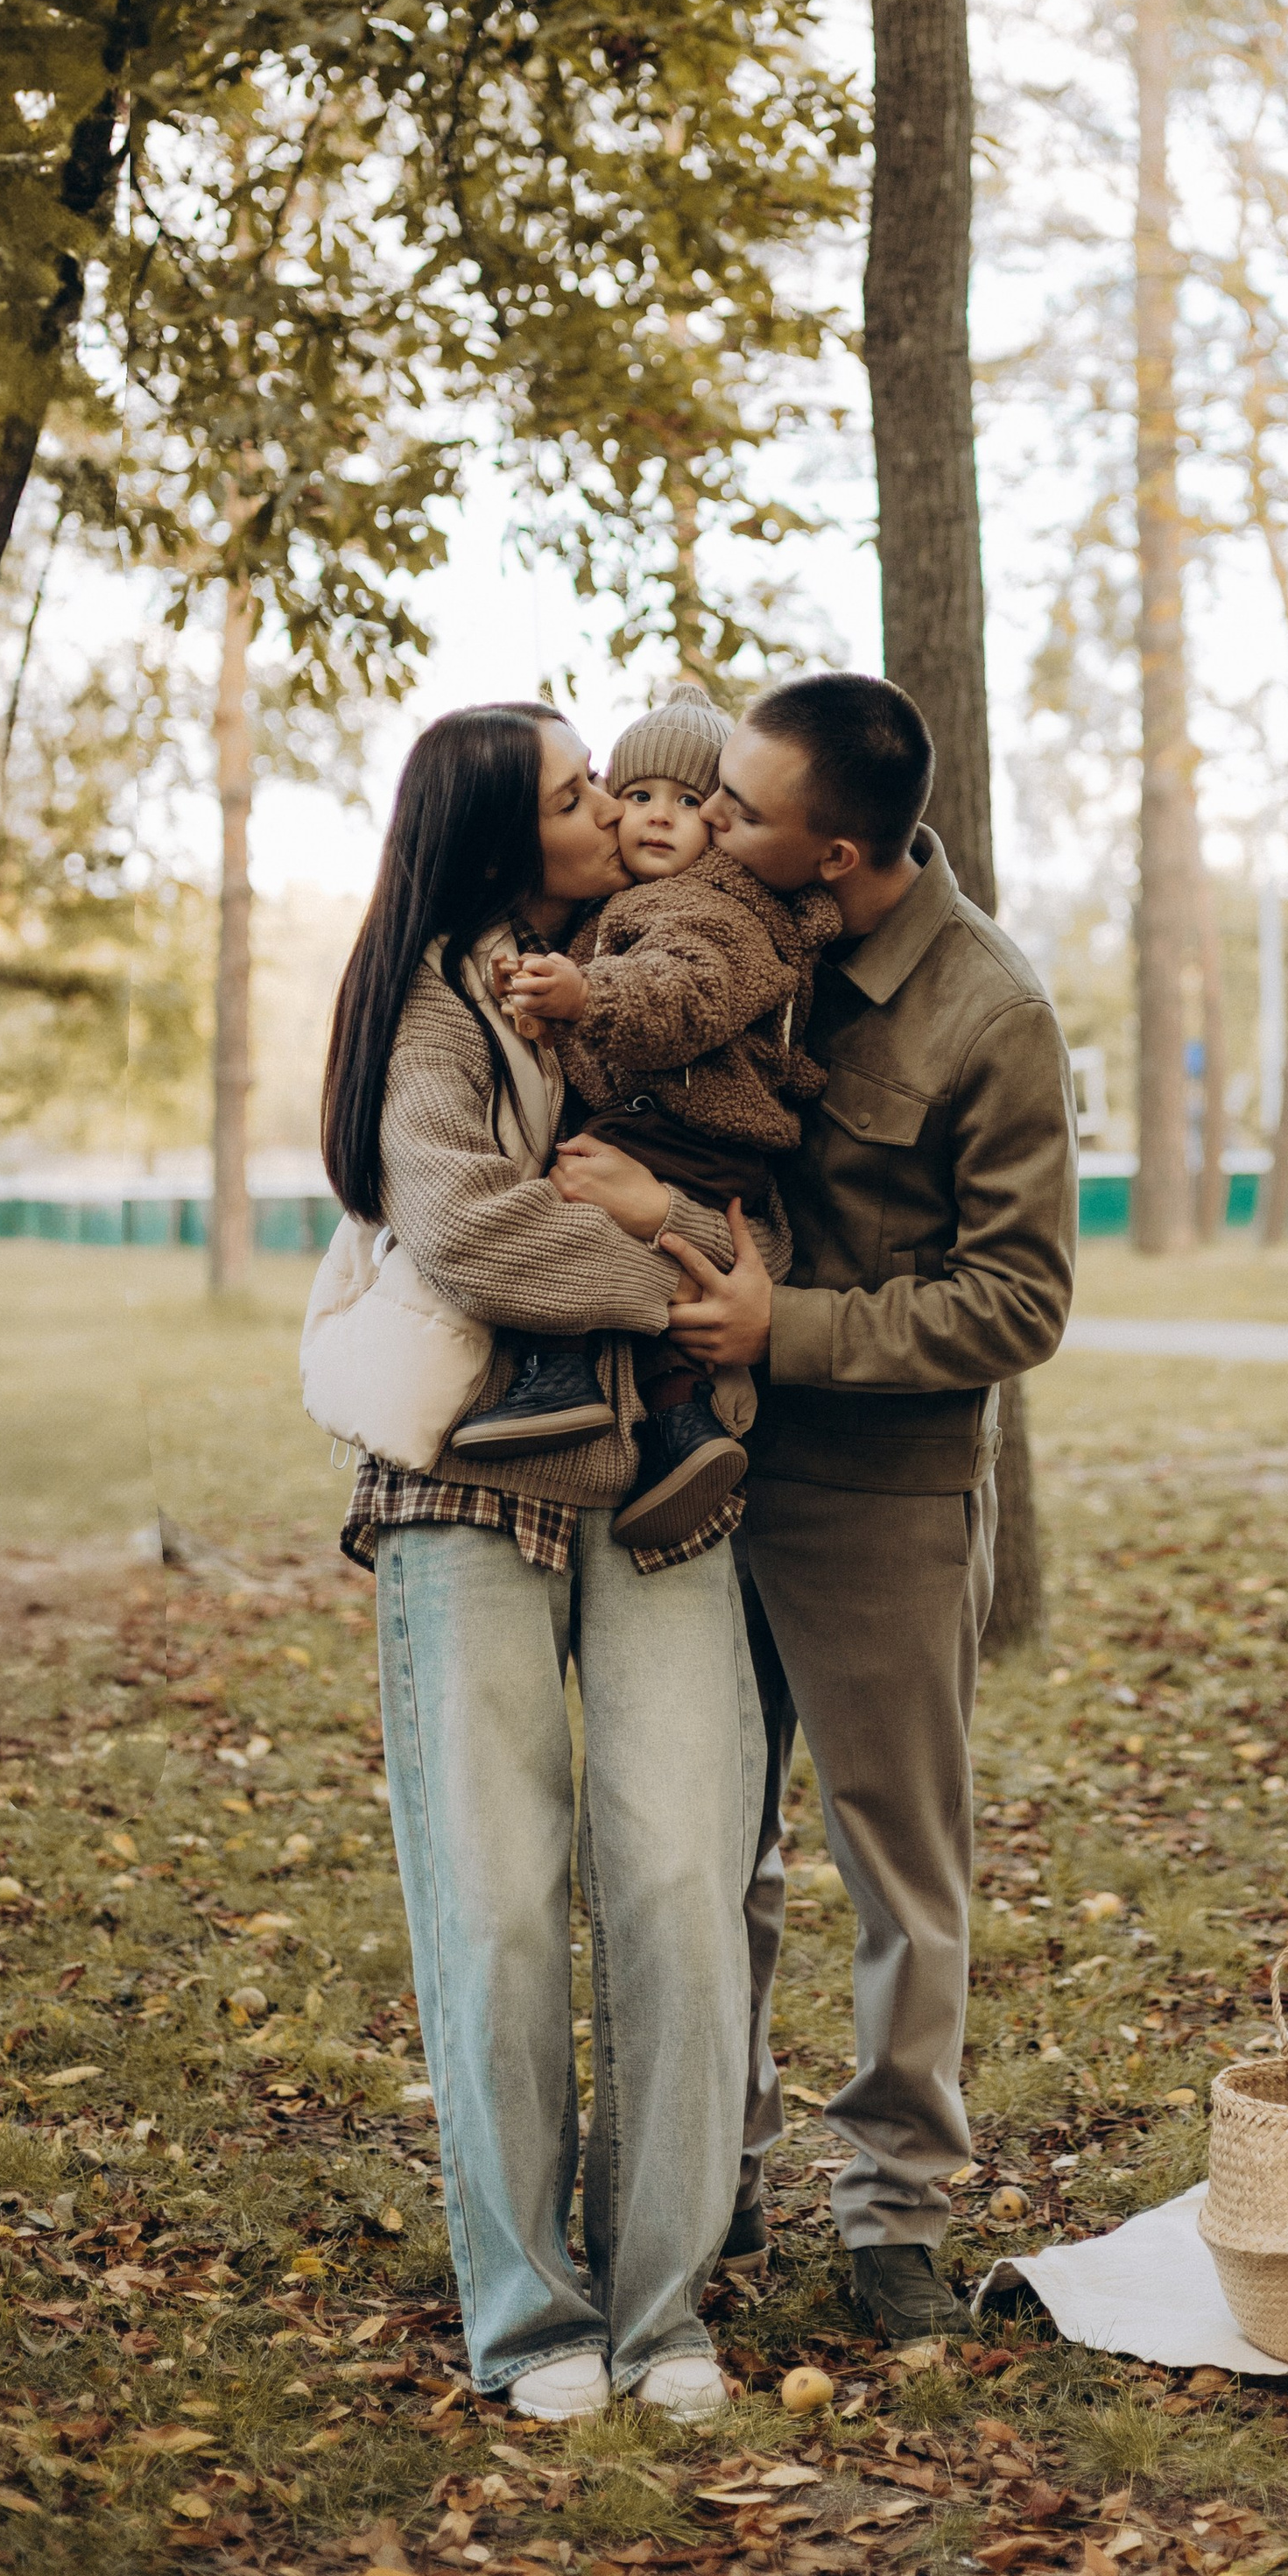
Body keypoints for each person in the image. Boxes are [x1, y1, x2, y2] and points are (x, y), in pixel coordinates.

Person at [552, 673, 1077, 2347]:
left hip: (882, 1501)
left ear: (835, 853)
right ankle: (714, 2178)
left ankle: (895, 2218)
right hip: (699, 1474)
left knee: (895, 1868)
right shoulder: (722, 937)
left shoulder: (990, 1016)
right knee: (709, 1852)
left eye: (743, 813)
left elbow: (1020, 1304)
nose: (708, 825)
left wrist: (792, 1328)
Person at [317, 701, 770, 2426]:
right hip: (464, 1488)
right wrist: (672, 1288)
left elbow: (755, 1189)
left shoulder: (678, 979)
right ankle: (527, 2317)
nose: (613, 811)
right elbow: (461, 1226)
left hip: (662, 1481)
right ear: (514, 844)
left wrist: (706, 1240)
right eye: (579, 795)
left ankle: (658, 2312)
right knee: (497, 1906)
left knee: (674, 1880)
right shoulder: (439, 1005)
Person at [453, 683, 843, 1554]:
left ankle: (557, 1375)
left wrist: (585, 992)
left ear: (724, 824)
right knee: (594, 1190)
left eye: (686, 801)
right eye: (634, 797)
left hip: (694, 1135)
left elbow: (680, 994)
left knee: (571, 1190)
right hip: (681, 1135)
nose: (655, 818)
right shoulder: (629, 906)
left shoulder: (714, 907)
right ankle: (681, 1427)